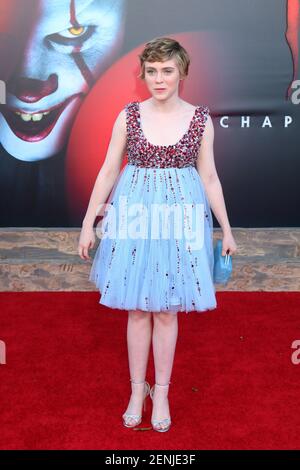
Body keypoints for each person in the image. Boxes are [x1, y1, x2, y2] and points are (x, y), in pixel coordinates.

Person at [78, 37, 237, 432]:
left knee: (166, 310)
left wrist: (227, 228)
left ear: (182, 72)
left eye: (167, 70)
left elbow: (210, 177)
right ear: (143, 74)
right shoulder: (128, 116)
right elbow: (109, 170)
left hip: (180, 219)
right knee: (136, 308)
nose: (159, 78)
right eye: (151, 71)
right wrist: (88, 222)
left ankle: (161, 392)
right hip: (134, 216)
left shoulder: (200, 119)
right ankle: (137, 390)